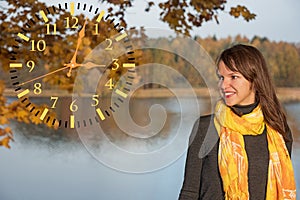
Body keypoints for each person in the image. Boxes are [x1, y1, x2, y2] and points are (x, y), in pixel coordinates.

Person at [178, 44, 296, 200]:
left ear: (254, 79)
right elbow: (189, 192)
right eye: (221, 77)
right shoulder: (205, 128)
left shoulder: (278, 131)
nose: (223, 85)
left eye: (233, 77)